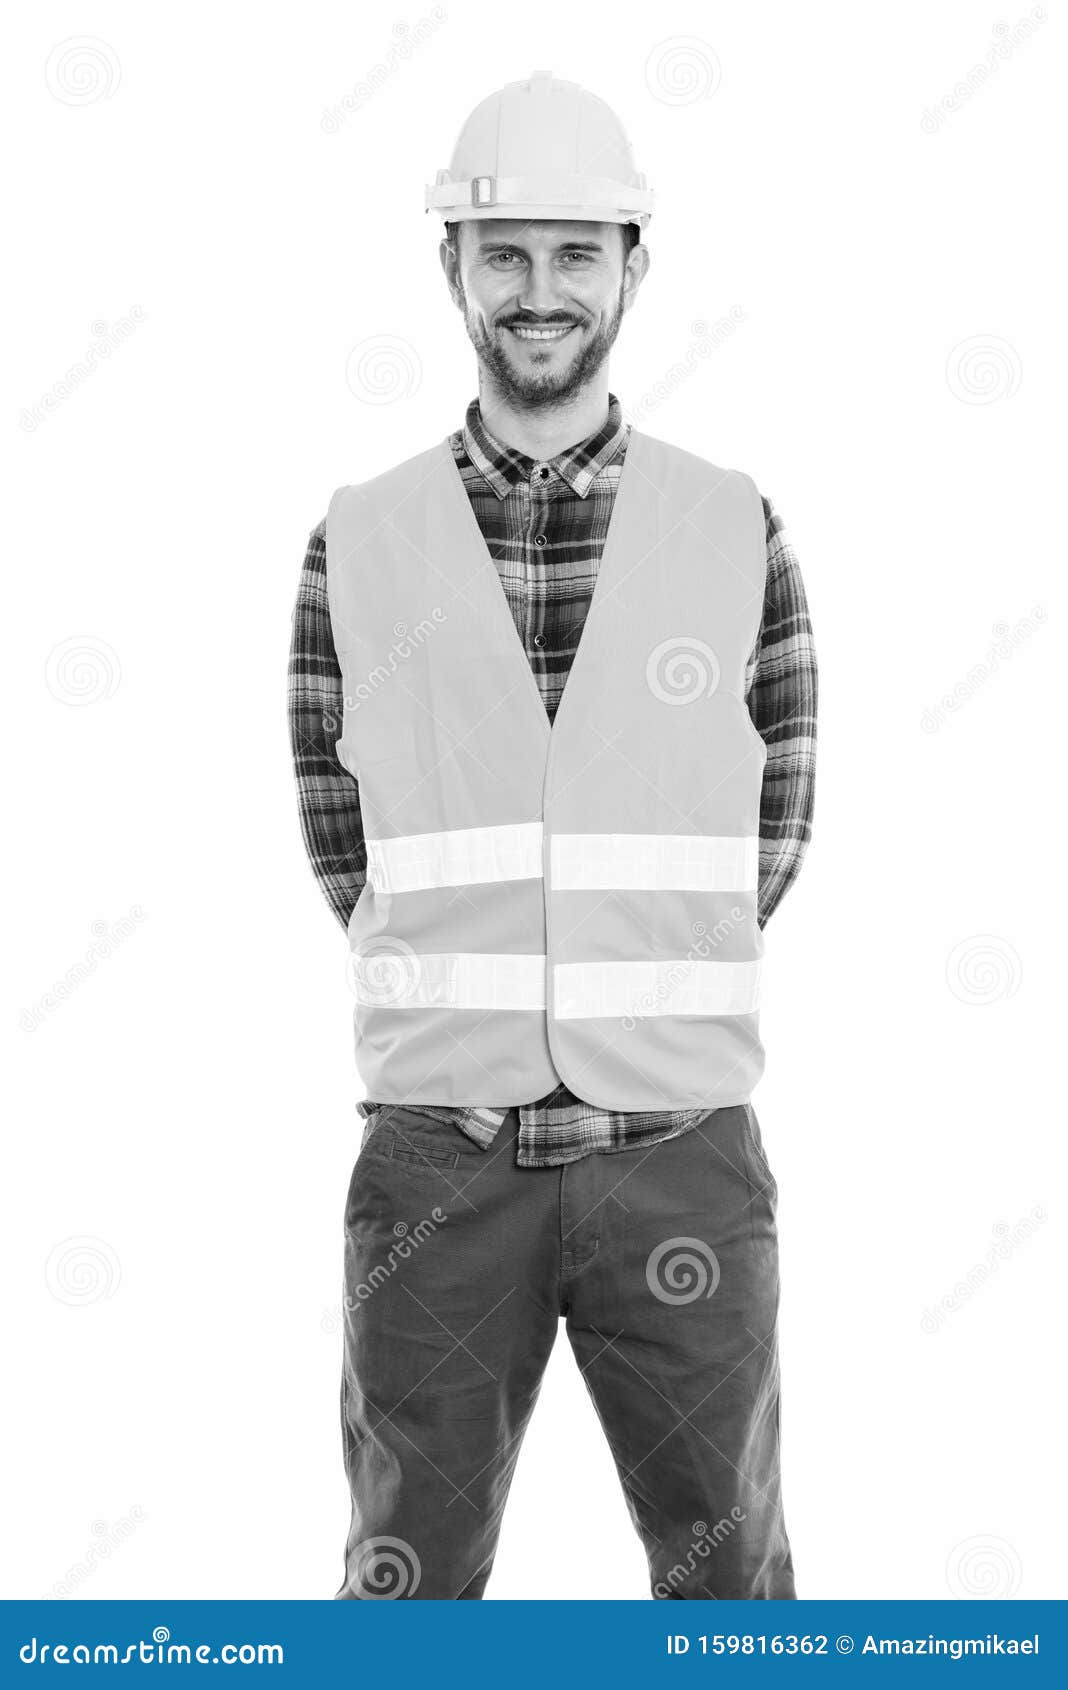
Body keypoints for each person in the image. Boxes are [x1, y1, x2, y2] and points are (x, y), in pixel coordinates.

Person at [288, 70, 817, 1600]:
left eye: (575, 253)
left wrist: (626, 974)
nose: (539, 291)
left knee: (735, 1596)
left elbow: (772, 825)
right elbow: (342, 835)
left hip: (682, 1160)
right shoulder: (361, 535)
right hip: (439, 1171)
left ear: (633, 267)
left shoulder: (734, 525)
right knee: (406, 1596)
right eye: (504, 252)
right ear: (450, 268)